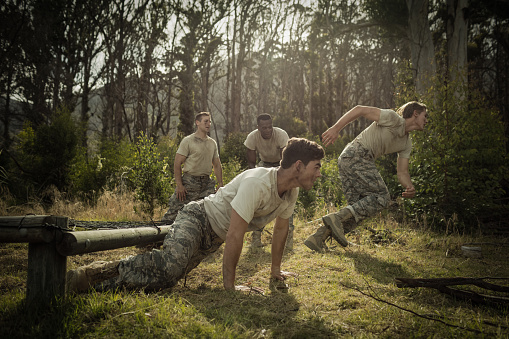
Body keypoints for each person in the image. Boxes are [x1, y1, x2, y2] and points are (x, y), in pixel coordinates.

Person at [67, 138, 324, 293]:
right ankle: (88, 275)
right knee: (170, 267)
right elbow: (236, 233)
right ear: (299, 166)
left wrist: (276, 270)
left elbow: (281, 230)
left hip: (213, 237)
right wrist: (230, 286)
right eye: (316, 167)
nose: (319, 174)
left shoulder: (291, 192)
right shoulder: (258, 183)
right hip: (198, 216)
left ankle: (95, 285)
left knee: (169, 279)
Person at [304, 102, 428, 252]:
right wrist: (336, 129)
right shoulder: (393, 118)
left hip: (351, 159)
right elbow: (360, 110)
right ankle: (334, 219)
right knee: (382, 197)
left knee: (356, 214)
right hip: (356, 154)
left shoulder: (407, 143)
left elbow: (402, 172)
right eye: (424, 116)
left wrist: (409, 186)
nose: (426, 120)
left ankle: (317, 238)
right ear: (415, 113)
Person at [161, 112, 223, 224]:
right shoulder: (188, 141)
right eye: (205, 121)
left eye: (209, 121)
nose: (208, 124)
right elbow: (177, 163)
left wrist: (220, 184)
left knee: (209, 215)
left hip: (206, 184)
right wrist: (179, 185)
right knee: (173, 214)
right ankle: (157, 239)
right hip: (189, 183)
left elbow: (217, 165)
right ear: (197, 123)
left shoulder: (212, 143)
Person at [244, 113, 294, 250]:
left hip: (281, 165)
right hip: (264, 164)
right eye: (264, 128)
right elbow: (251, 164)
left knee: (287, 198)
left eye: (269, 127)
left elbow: (286, 160)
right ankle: (255, 239)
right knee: (259, 200)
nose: (267, 130)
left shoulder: (281, 135)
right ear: (258, 127)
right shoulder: (252, 137)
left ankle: (288, 239)